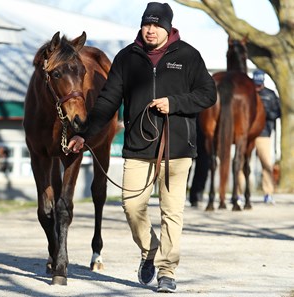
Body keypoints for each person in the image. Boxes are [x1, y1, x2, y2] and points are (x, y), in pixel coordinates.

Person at [68, 2, 216, 293]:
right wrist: (85, 133)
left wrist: (174, 103)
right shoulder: (127, 58)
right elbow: (108, 99)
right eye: (146, 24)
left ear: (168, 27)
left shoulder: (188, 56)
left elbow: (207, 94)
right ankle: (150, 250)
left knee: (171, 212)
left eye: (156, 25)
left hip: (177, 150)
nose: (150, 30)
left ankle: (167, 271)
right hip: (138, 146)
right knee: (131, 206)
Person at [252, 69, 281, 204]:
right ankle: (239, 193)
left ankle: (268, 193)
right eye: (255, 84)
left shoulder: (270, 94)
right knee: (240, 163)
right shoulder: (248, 93)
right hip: (247, 135)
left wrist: (265, 112)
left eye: (259, 84)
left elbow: (277, 113)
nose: (257, 87)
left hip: (264, 133)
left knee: (266, 164)